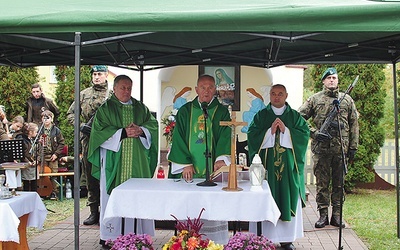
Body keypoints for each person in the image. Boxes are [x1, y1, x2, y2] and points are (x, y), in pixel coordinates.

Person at [87, 74, 158, 247]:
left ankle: (140, 236)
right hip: (114, 162)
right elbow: (98, 133)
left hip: (137, 163)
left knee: (139, 196)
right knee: (112, 196)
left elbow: (153, 126)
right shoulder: (106, 109)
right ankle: (111, 236)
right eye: (123, 88)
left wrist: (142, 131)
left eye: (129, 88)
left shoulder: (141, 108)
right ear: (115, 88)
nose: (126, 91)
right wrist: (123, 133)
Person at [168, 74, 231, 244]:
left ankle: (214, 244)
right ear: (196, 89)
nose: (207, 91)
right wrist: (185, 163)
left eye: (211, 87)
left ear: (215, 90)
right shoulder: (185, 111)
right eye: (203, 87)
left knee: (213, 206)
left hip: (213, 171)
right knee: (190, 208)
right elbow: (179, 138)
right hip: (191, 170)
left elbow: (226, 135)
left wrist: (221, 158)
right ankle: (188, 243)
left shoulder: (222, 111)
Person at [247, 84, 309, 250]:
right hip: (266, 170)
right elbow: (252, 136)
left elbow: (304, 135)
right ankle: (263, 238)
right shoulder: (261, 116)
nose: (276, 97)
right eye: (273, 94)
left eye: (280, 94)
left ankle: (287, 240)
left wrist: (287, 131)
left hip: (288, 170)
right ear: (270, 96)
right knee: (266, 198)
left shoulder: (295, 116)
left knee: (287, 196)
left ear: (286, 95)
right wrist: (269, 132)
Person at [298, 67, 359, 229]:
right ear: (323, 81)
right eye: (329, 78)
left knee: (339, 184)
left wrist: (353, 147)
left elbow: (354, 124)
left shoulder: (347, 100)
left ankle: (337, 216)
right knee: (322, 184)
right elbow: (298, 118)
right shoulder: (314, 99)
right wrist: (314, 133)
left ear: (337, 80)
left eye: (334, 78)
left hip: (341, 150)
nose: (332, 80)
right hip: (321, 150)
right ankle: (323, 215)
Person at [67, 65, 112, 225]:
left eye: (99, 74)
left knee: (107, 174)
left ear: (106, 75)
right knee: (91, 174)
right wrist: (80, 126)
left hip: (107, 140)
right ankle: (93, 211)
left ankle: (108, 210)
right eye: (94, 74)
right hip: (88, 141)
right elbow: (71, 114)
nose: (96, 77)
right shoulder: (84, 94)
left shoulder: (111, 95)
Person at [40, 110, 65, 200]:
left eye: (48, 118)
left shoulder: (56, 130)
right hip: (43, 156)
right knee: (43, 174)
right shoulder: (40, 130)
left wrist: (56, 154)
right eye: (44, 118)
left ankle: (54, 192)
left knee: (53, 173)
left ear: (51, 118)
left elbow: (61, 143)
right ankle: (43, 192)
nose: (46, 120)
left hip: (53, 155)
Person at [15, 122, 39, 191]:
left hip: (34, 163)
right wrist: (27, 161)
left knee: (34, 182)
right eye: (35, 132)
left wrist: (37, 160)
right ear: (30, 132)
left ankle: (34, 195)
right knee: (26, 183)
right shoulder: (23, 140)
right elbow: (23, 153)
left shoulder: (34, 140)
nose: (37, 133)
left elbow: (38, 151)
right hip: (27, 164)